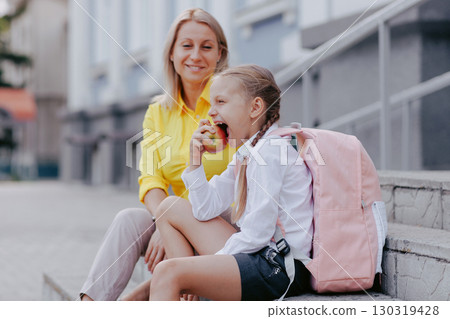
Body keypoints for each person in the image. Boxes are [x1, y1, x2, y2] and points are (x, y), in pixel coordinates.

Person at [79, 8, 236, 301]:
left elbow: (240, 180)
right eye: (186, 45)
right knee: (129, 219)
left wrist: (173, 224)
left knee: (176, 208)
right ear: (172, 54)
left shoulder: (230, 103)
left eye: (206, 47)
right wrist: (166, 223)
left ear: (220, 54)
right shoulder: (157, 112)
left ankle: (150, 291)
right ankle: (90, 306)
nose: (196, 56)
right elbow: (151, 180)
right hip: (175, 218)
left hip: (225, 223)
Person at [149, 65, 314, 301]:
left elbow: (257, 234)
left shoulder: (269, 152)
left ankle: (186, 287)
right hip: (261, 255)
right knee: (168, 207)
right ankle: (188, 293)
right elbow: (205, 208)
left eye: (220, 102)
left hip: (280, 267)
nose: (211, 112)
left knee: (168, 272)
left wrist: (206, 269)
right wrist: (195, 162)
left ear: (255, 107)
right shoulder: (249, 152)